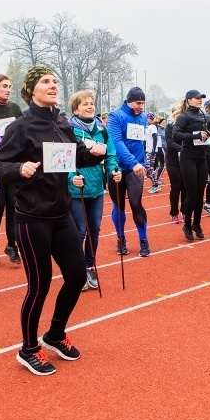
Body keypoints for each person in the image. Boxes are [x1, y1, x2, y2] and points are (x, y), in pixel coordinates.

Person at [0, 66, 105, 376]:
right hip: (32, 218)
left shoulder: (62, 123)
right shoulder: (21, 127)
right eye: (45, 81)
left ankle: (54, 334)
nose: (53, 85)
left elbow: (75, 155)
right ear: (31, 91)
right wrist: (19, 168)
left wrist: (96, 153)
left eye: (54, 81)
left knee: (77, 276)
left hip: (60, 213)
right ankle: (28, 348)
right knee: (38, 286)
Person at [66, 90, 121, 291]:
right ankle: (76, 269)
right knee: (80, 231)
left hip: (97, 188)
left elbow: (111, 155)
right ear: (75, 109)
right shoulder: (68, 130)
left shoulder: (101, 130)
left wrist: (115, 170)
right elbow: (64, 158)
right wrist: (72, 177)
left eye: (92, 103)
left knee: (95, 230)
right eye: (85, 104)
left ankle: (89, 266)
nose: (90, 106)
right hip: (75, 189)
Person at [107, 87, 152, 257]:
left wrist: (142, 162)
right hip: (117, 167)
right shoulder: (115, 116)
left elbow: (140, 142)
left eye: (143, 103)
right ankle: (121, 238)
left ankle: (143, 239)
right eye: (138, 103)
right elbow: (116, 142)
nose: (141, 106)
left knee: (136, 203)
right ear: (129, 101)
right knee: (118, 205)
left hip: (137, 168)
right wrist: (132, 162)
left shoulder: (142, 118)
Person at [0, 74, 24, 264]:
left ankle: (12, 244)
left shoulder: (15, 108)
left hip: (13, 164)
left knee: (14, 206)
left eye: (10, 86)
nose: (8, 90)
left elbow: (24, 130)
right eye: (4, 86)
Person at [173, 90, 210, 241]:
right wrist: (196, 136)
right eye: (197, 98)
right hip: (188, 157)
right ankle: (187, 225)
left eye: (201, 98)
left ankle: (197, 224)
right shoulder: (183, 116)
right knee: (191, 192)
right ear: (189, 100)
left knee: (201, 192)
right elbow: (176, 135)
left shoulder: (202, 114)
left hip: (202, 157)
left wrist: (209, 134)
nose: (200, 100)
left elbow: (203, 131)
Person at [166, 101, 187, 224]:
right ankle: (174, 213)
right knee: (176, 186)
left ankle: (184, 211)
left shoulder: (187, 126)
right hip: (172, 160)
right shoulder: (170, 126)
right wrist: (183, 149)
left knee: (185, 187)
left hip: (185, 160)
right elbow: (169, 142)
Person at [144, 112, 162, 193]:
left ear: (149, 118)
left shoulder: (152, 126)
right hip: (149, 149)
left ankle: (156, 184)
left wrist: (153, 150)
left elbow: (155, 138)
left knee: (149, 167)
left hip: (151, 150)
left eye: (147, 117)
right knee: (149, 168)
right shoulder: (150, 126)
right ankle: (155, 184)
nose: (145, 119)